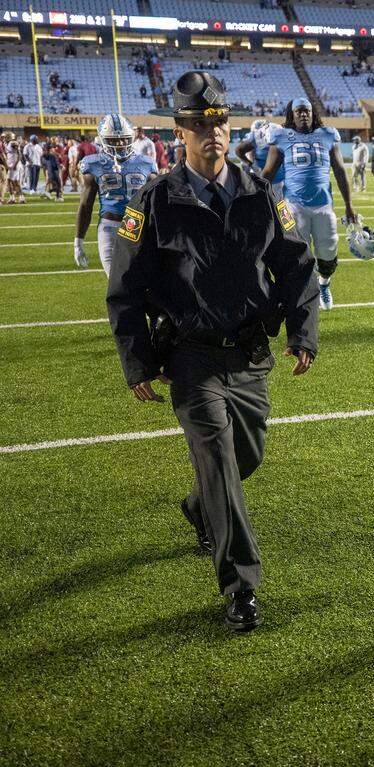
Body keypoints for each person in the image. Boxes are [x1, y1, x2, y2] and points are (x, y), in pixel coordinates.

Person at [106, 71, 319, 632]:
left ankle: (201, 507)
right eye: (199, 124)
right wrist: (137, 361)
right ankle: (241, 586)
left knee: (245, 456)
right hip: (190, 357)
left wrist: (303, 331)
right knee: (220, 458)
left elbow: (296, 264)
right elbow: (125, 290)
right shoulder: (154, 202)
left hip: (248, 355)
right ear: (179, 132)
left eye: (220, 121)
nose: (212, 132)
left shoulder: (259, 193)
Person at [261, 98, 356, 310]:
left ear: (313, 113)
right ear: (291, 115)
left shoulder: (328, 134)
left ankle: (324, 283)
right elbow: (267, 173)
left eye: (307, 111)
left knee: (328, 252)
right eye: (299, 111)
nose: (303, 114)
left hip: (323, 205)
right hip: (292, 205)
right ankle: (303, 294)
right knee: (297, 254)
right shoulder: (281, 136)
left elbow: (340, 170)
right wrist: (255, 199)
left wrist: (349, 205)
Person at [75, 114, 159, 272]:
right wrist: (78, 241)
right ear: (103, 139)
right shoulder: (93, 163)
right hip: (109, 227)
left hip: (137, 225)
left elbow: (157, 202)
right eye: (114, 140)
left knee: (139, 282)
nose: (120, 144)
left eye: (124, 139)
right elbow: (86, 205)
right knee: (116, 282)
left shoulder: (147, 163)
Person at [234, 118, 284, 197]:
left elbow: (239, 151)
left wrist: (249, 163)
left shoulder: (255, 138)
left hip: (264, 180)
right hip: (274, 180)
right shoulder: (275, 133)